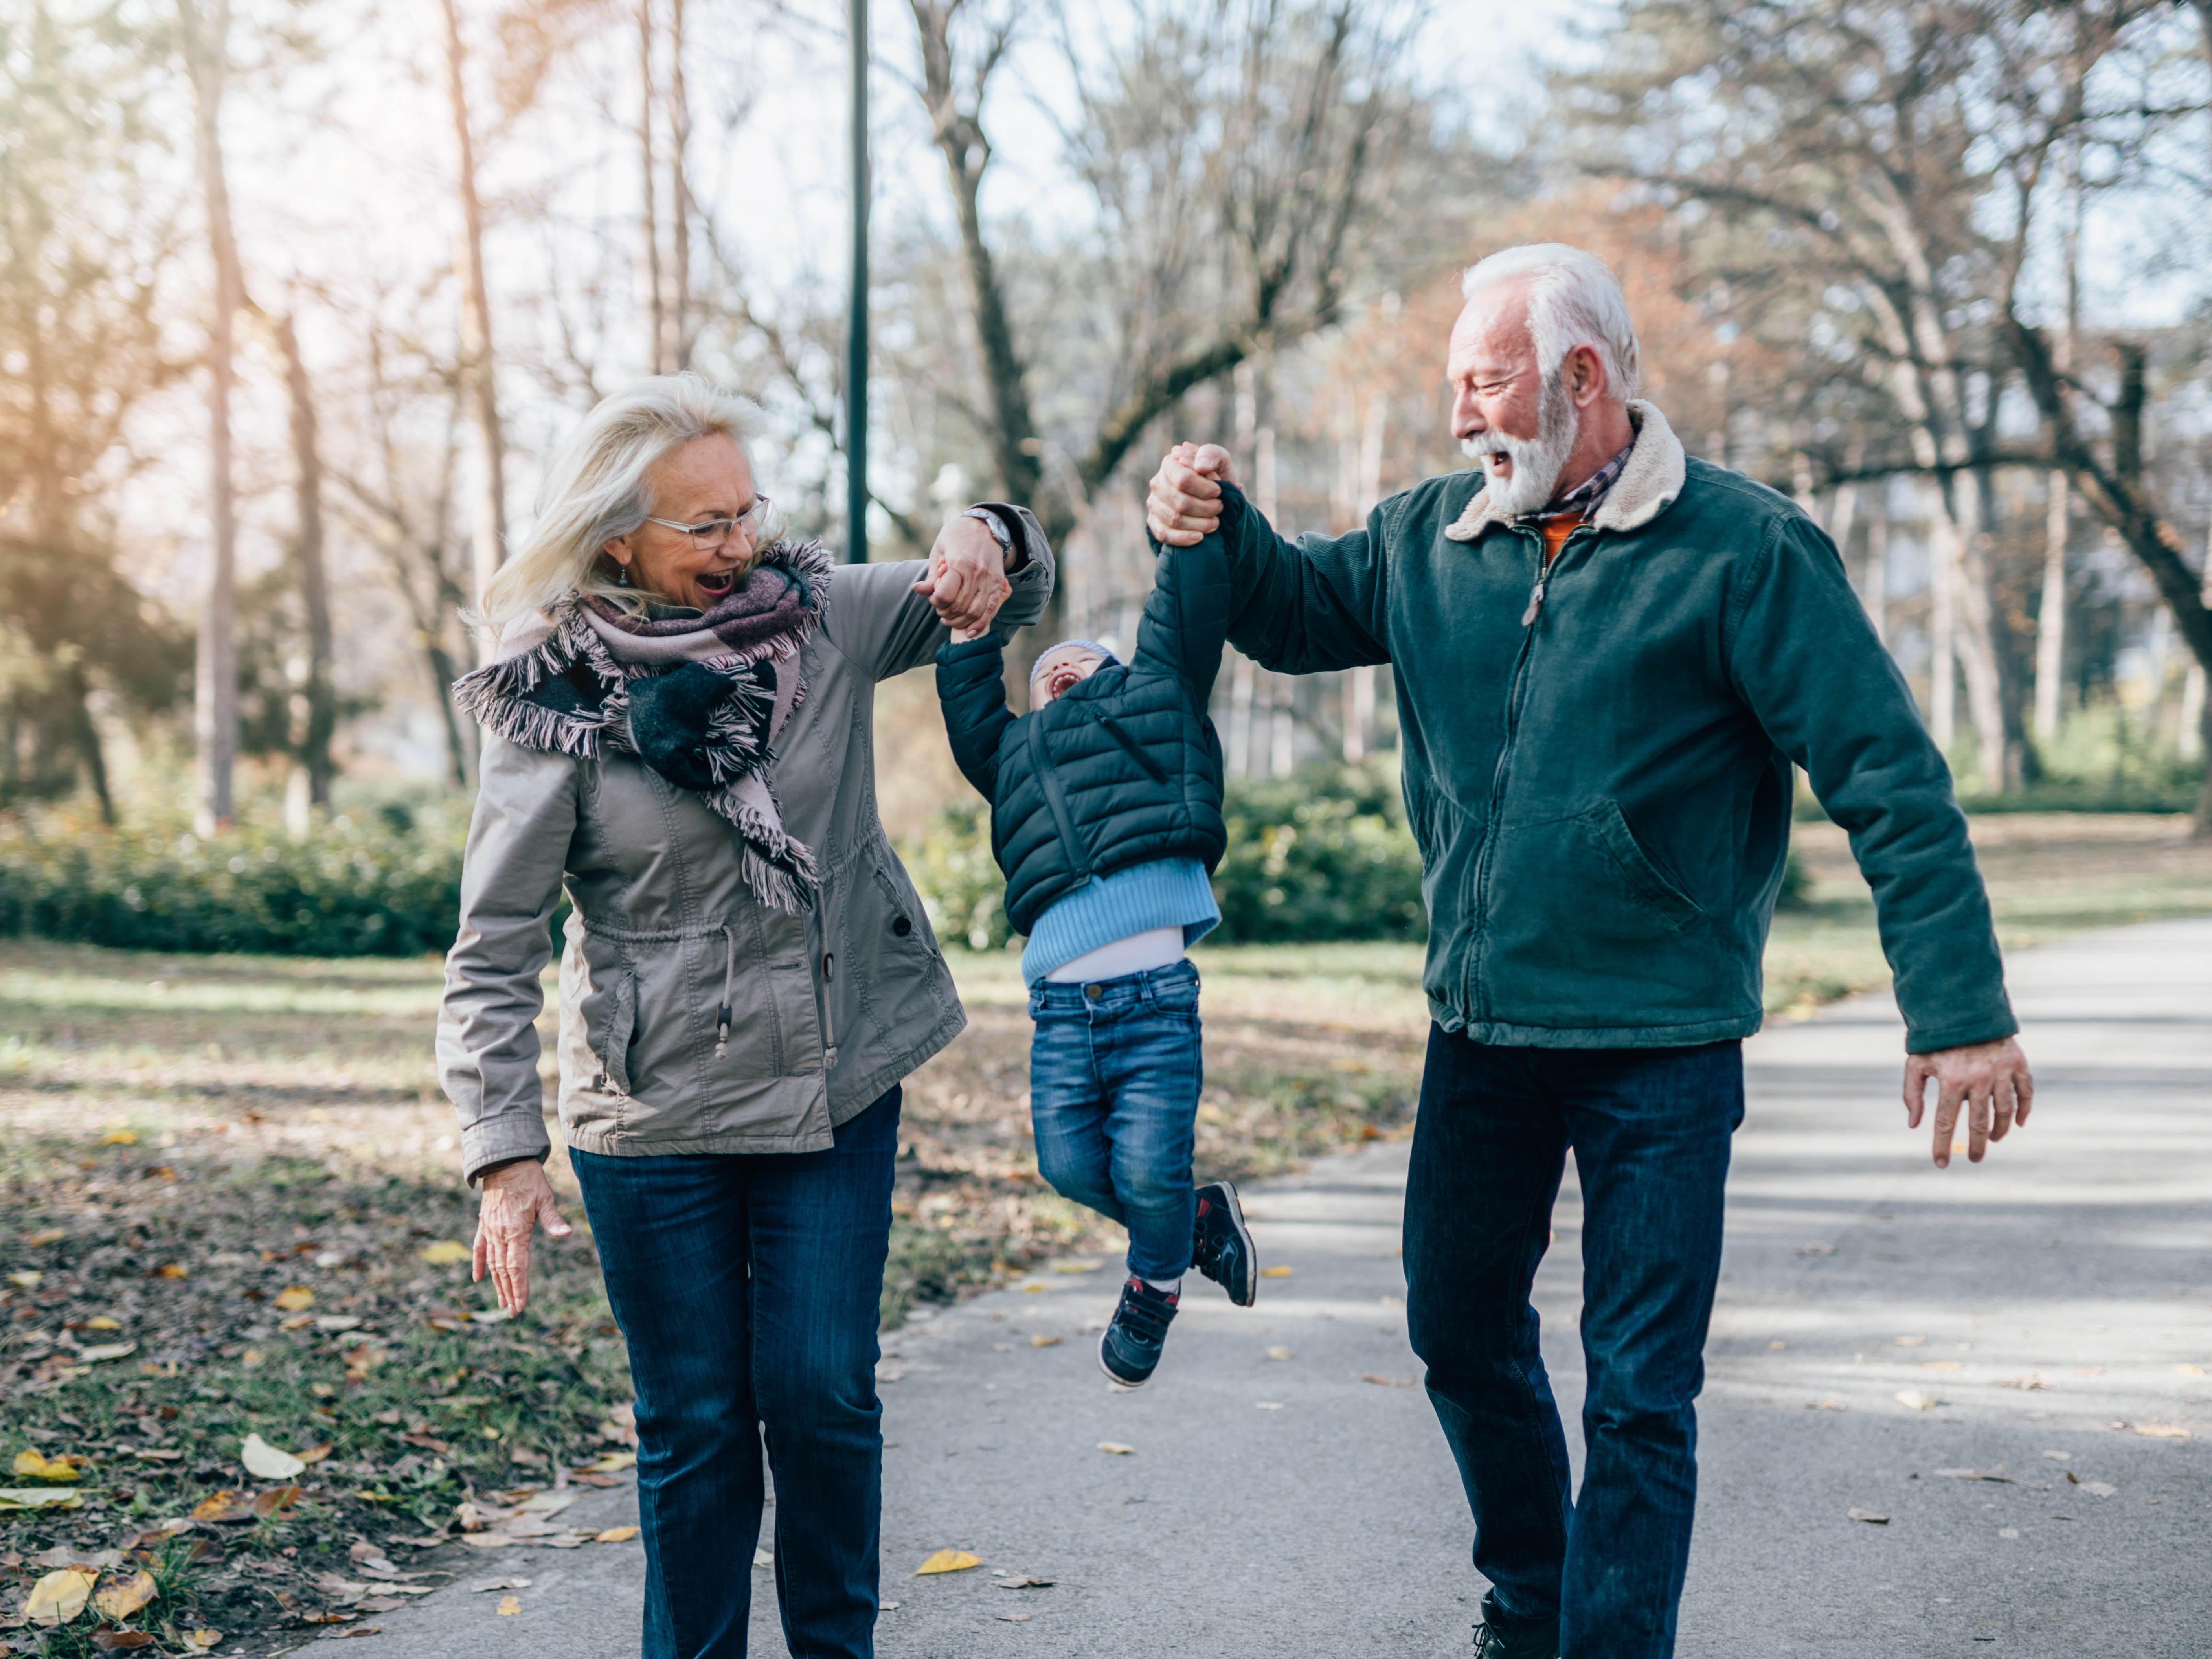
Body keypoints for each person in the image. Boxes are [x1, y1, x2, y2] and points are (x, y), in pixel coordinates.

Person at [1145, 244, 2035, 1659]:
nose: (1459, 418)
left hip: (1661, 1044)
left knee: (1637, 1388)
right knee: (1456, 1327)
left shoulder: (1746, 551)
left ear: (1583, 378)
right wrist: (1211, 517)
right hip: (1482, 1034)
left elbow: (1889, 779)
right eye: (1452, 386)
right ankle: (1532, 1597)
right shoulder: (1433, 533)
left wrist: (1959, 1010)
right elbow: (1293, 610)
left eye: (1484, 381)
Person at [436, 372, 1053, 1659]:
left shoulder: (817, 617)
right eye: (704, 525)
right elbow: (497, 940)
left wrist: (988, 537)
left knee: (822, 1394)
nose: (743, 544)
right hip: (652, 1111)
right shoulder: (550, 698)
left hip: (834, 1076)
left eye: (748, 512)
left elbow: (993, 587)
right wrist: (503, 1152)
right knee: (699, 1422)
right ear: (619, 538)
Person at [931, 532, 1258, 1389]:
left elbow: (1179, 615)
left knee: (1147, 1164)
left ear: (1119, 677)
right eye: (1044, 673)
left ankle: (1153, 1286)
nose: (1058, 669)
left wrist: (1187, 532)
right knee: (1068, 1165)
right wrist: (973, 632)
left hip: (1154, 1000)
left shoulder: (1157, 698)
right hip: (1061, 1012)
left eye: (1080, 661)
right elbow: (973, 709)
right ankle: (1195, 1221)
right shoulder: (1013, 758)